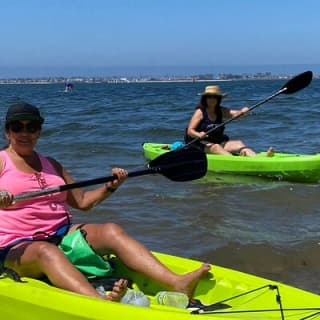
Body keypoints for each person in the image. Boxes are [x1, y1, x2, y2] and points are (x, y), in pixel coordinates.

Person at [0, 102, 210, 302]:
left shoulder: (52, 164)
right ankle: (98, 300)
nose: (24, 133)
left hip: (61, 235)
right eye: (17, 127)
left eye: (32, 127)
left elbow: (83, 202)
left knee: (111, 230)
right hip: (16, 246)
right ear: (8, 132)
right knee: (46, 251)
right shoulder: (2, 160)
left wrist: (112, 186)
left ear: (39, 131)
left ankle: (176, 283)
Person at [185, 85, 274, 156]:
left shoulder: (221, 110)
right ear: (205, 99)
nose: (212, 99)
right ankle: (237, 161)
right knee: (216, 147)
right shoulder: (200, 112)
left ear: (218, 99)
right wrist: (198, 134)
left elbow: (234, 114)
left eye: (215, 97)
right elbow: (190, 131)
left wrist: (243, 112)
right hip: (198, 144)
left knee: (239, 144)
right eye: (209, 97)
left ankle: (257, 158)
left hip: (217, 141)